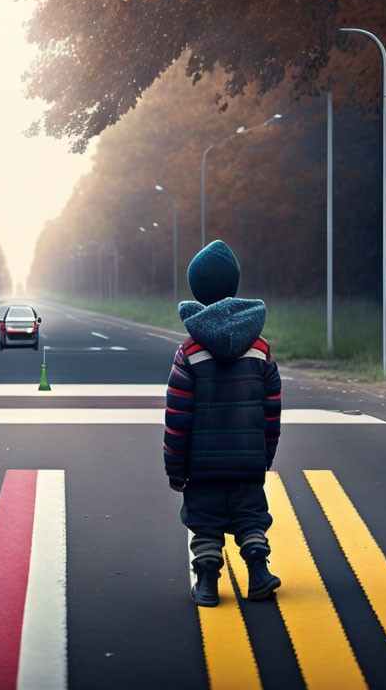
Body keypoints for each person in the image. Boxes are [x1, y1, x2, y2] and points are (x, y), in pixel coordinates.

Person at [163, 240, 282, 606]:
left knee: (205, 522)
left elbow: (178, 416)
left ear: (197, 290)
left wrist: (175, 467)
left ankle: (208, 584)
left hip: (202, 466)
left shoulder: (190, 352)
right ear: (234, 285)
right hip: (247, 461)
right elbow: (272, 411)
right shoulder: (260, 350)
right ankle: (259, 573)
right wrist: (265, 456)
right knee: (251, 517)